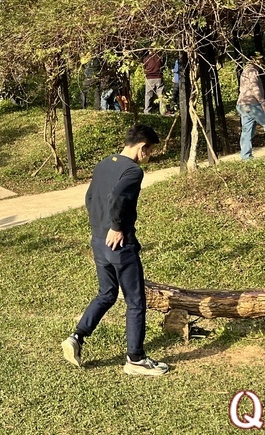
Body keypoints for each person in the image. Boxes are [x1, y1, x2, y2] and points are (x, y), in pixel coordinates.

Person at [62, 124, 170, 376]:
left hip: (98, 242)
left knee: (107, 293)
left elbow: (90, 198)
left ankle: (77, 336)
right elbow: (118, 197)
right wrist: (117, 227)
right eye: (151, 151)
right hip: (120, 245)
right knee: (135, 301)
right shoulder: (133, 171)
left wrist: (100, 229)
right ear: (143, 147)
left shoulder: (103, 164)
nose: (149, 157)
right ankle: (135, 359)